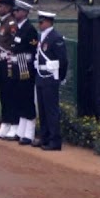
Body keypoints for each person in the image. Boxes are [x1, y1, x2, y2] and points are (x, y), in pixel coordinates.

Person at [33, 10, 67, 150]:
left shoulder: (56, 38)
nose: (39, 25)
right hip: (41, 76)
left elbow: (63, 60)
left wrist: (61, 77)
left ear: (48, 22)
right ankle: (45, 137)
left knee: (51, 110)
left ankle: (55, 141)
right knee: (42, 109)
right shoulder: (42, 37)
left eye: (41, 22)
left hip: (51, 77)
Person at [7, 0, 40, 144]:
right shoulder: (18, 28)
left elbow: (31, 50)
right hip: (16, 65)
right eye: (14, 10)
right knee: (19, 97)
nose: (15, 13)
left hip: (25, 67)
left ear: (25, 13)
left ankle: (29, 132)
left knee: (27, 98)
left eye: (18, 11)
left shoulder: (29, 29)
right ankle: (21, 131)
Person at [0, 0, 20, 140]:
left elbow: (16, 42)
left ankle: (14, 124)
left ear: (8, 8)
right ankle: (5, 123)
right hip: (1, 61)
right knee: (3, 93)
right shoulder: (4, 22)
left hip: (9, 62)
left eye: (1, 6)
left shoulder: (12, 23)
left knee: (11, 93)